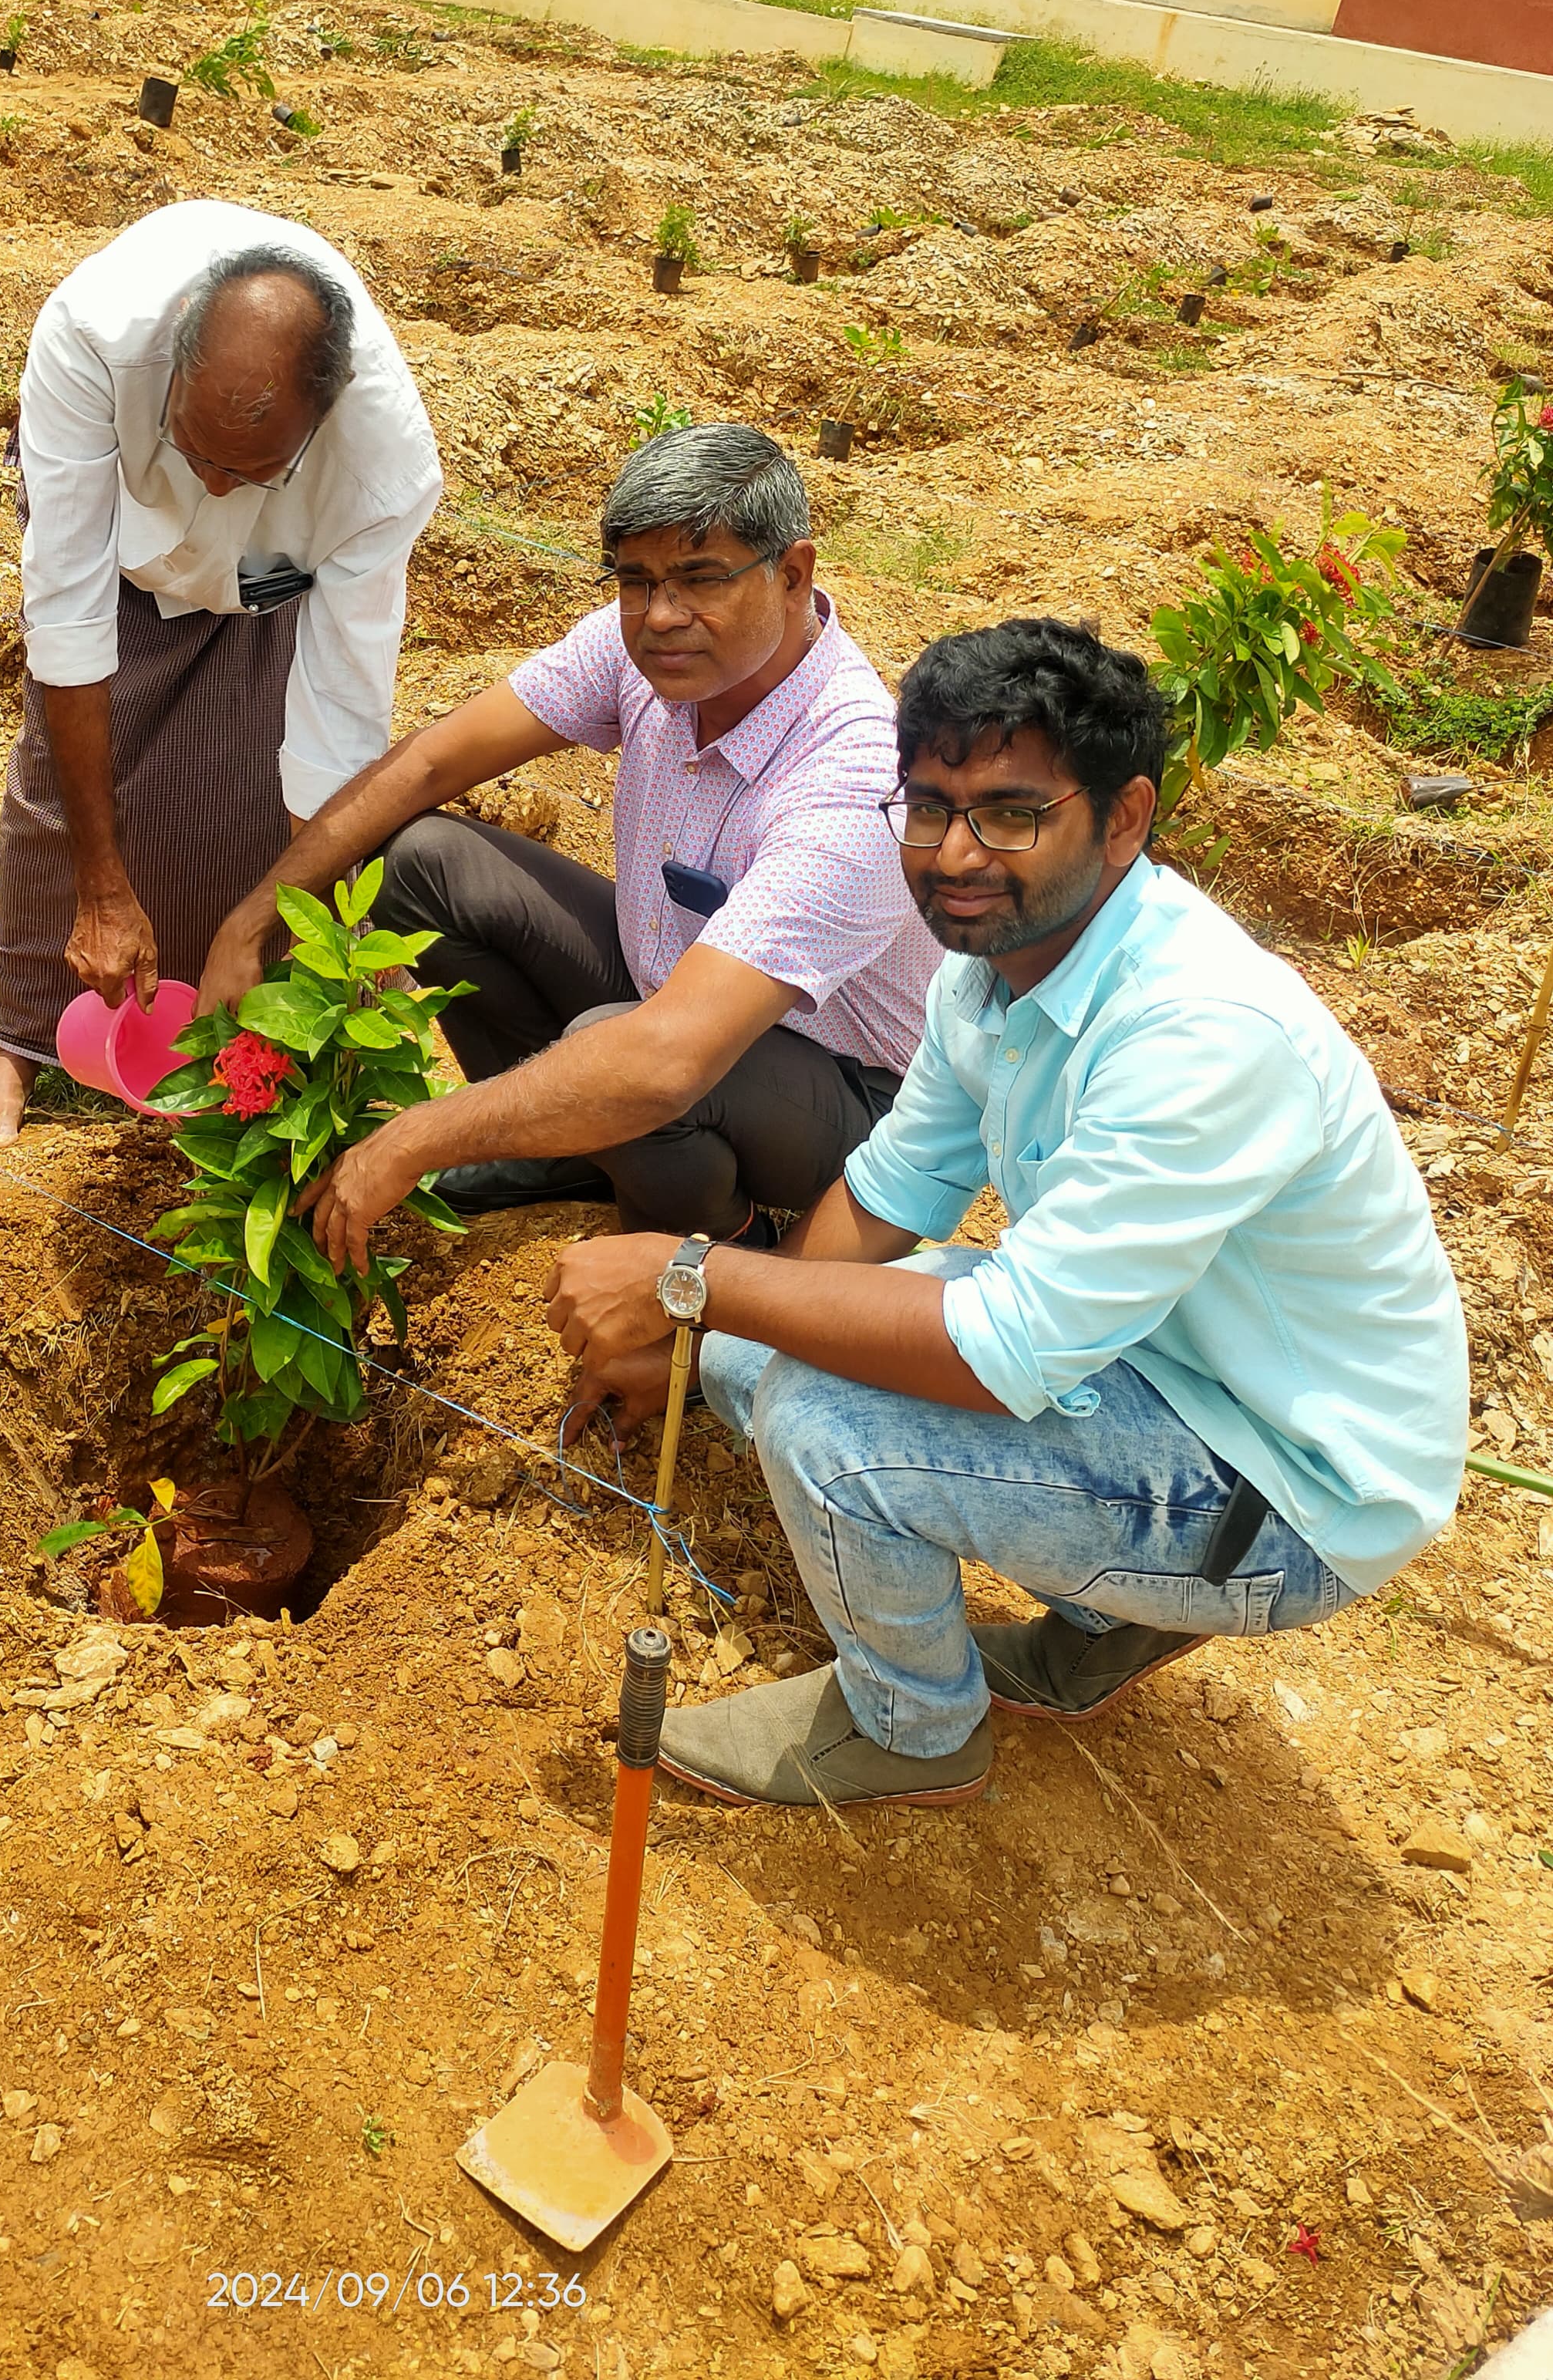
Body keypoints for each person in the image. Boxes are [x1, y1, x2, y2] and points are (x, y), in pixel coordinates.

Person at [547, 617, 1467, 1813]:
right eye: (928, 806)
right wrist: (717, 1335)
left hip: (1293, 1489)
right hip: (1174, 1375)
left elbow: (1005, 1356)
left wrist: (692, 1280)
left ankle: (915, 1731)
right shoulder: (997, 970)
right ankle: (1106, 1625)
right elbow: (887, 1200)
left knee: (821, 1415)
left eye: (1012, 813)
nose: (955, 854)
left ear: (1124, 817)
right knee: (756, 1361)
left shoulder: (1201, 1035)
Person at [200, 423, 935, 1262]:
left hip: (843, 1097)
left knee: (618, 1060)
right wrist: (254, 916)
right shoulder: (645, 654)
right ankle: (570, 1152)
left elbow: (664, 1060)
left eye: (700, 579)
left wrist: (413, 1139)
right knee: (423, 863)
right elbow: (434, 757)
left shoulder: (850, 776)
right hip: (668, 994)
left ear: (793, 573)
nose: (661, 617)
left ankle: (730, 1244)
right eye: (636, 580)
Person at [0, 199, 440, 1148]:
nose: (214, 483)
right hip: (115, 547)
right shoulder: (94, 334)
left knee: (248, 790)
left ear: (319, 425)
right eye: (195, 449)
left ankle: (267, 1027)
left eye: (249, 470)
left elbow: (339, 721)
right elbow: (70, 614)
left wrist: (309, 933)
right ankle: (21, 1042)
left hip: (265, 579)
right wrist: (101, 888)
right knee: (65, 779)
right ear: (172, 366)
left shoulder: (380, 474)